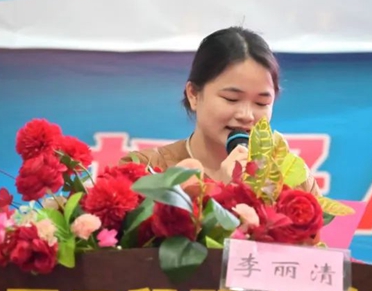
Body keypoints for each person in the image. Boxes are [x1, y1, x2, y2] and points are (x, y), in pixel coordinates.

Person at [119, 26, 320, 195]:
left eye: (261, 103)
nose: (246, 115)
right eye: (231, 99)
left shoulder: (293, 180)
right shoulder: (143, 171)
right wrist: (223, 194)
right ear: (193, 94)